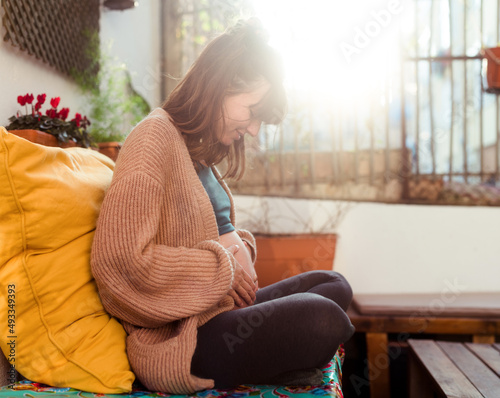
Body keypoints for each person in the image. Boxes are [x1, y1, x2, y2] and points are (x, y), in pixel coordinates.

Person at [91, 18, 354, 395]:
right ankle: (282, 363)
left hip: (219, 310)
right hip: (184, 336)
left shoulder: (196, 152)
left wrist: (238, 253)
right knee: (323, 318)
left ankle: (281, 361)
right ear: (220, 86)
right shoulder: (153, 138)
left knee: (333, 286)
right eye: (251, 111)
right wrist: (224, 269)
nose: (254, 131)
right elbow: (118, 264)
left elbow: (205, 234)